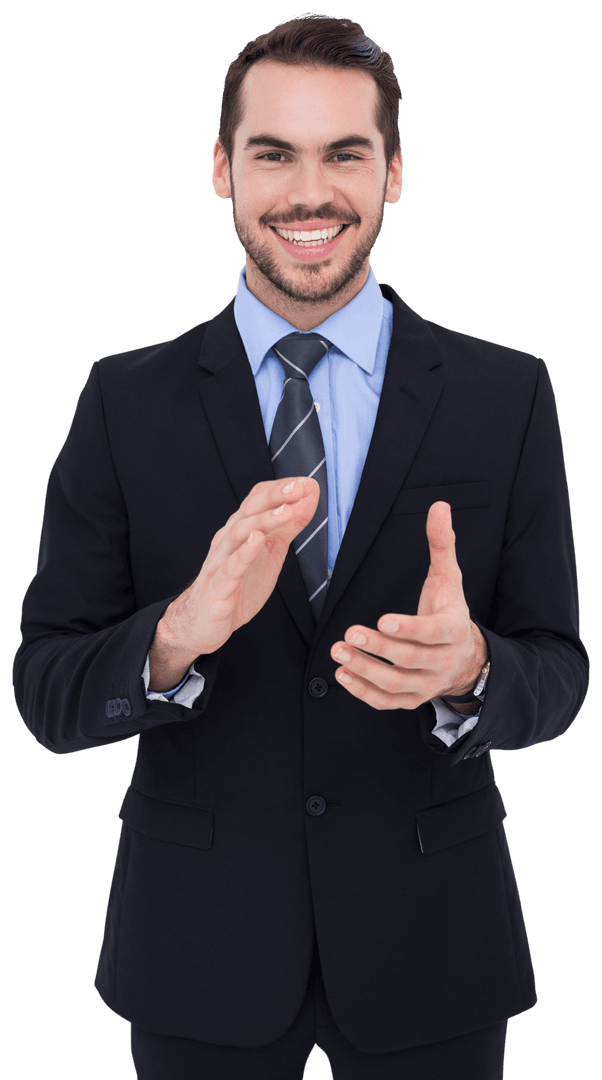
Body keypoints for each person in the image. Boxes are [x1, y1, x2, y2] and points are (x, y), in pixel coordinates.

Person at [13, 12, 589, 1080]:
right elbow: (45, 691)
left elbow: (558, 673)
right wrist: (176, 635)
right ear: (222, 169)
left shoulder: (506, 394)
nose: (309, 193)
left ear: (394, 173)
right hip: (197, 945)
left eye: (345, 154)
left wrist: (473, 669)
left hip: (434, 942)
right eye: (274, 153)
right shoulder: (122, 402)